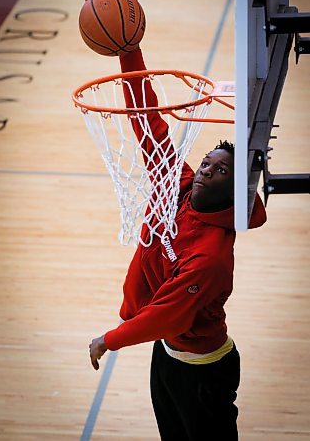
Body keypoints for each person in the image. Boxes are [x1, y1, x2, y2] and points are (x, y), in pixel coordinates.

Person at [89, 47, 267, 440]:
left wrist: (110, 339)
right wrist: (128, 51)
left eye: (221, 171)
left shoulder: (211, 256)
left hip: (204, 368)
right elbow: (147, 122)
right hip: (168, 354)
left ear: (235, 188)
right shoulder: (176, 185)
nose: (206, 171)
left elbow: (168, 315)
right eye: (207, 162)